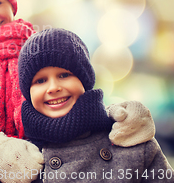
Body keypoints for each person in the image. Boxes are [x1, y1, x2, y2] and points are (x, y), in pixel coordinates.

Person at [0, 0, 157, 183]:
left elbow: (80, 95)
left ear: (11, 4)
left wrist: (118, 117)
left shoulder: (43, 48)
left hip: (59, 157)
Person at [17, 28, 172, 182]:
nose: (53, 88)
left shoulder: (131, 141)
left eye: (64, 75)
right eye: (40, 81)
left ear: (85, 80)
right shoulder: (20, 159)